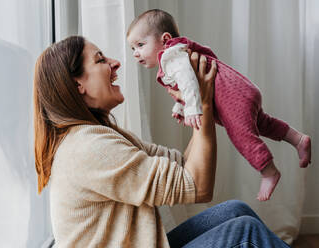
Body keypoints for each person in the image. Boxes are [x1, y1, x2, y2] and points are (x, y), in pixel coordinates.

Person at [33, 35, 290, 247]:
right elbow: (198, 187)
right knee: (244, 231)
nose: (115, 63)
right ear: (78, 84)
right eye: (100, 60)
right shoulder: (90, 147)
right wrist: (202, 104)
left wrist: (195, 103)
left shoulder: (100, 134)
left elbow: (184, 165)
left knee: (236, 211)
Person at [126, 9, 312, 201]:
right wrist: (181, 107)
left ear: (165, 39)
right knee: (263, 123)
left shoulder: (171, 56)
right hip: (241, 90)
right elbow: (191, 85)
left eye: (140, 45)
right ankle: (298, 139)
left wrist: (191, 109)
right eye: (132, 48)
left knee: (241, 135)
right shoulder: (179, 52)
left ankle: (268, 171)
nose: (136, 53)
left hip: (233, 96)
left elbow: (189, 81)